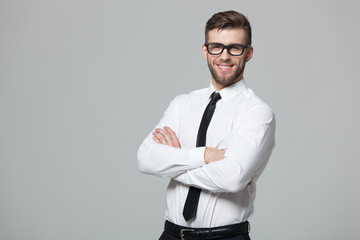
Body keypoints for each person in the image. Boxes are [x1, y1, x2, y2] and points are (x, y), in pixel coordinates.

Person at [137, 10, 276, 240]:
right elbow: (145, 159)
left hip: (225, 237)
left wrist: (173, 163)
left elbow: (232, 179)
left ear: (248, 53)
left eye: (234, 48)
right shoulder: (182, 104)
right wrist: (207, 155)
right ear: (205, 51)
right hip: (170, 235)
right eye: (216, 47)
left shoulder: (257, 112)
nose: (224, 56)